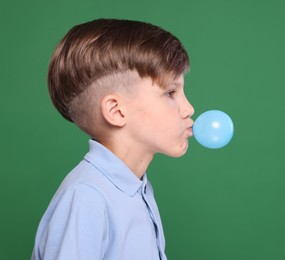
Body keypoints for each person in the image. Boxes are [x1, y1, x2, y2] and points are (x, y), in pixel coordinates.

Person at [31, 18, 194, 260]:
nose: (188, 108)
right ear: (117, 112)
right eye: (170, 93)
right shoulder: (87, 197)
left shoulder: (136, 188)